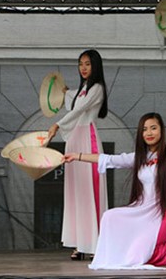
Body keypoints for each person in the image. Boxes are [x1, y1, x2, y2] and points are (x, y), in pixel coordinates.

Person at [63, 112, 166, 269]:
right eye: (144, 129)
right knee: (109, 216)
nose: (149, 132)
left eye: (153, 128)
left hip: (163, 214)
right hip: (142, 210)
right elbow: (110, 160)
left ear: (161, 130)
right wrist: (77, 155)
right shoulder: (140, 157)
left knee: (138, 253)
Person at [48, 49, 108, 260]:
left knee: (90, 192)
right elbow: (73, 97)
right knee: (76, 194)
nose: (83, 68)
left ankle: (95, 244)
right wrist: (65, 91)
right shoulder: (82, 90)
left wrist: (57, 124)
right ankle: (79, 244)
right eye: (81, 64)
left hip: (87, 142)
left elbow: (78, 110)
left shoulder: (97, 89)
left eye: (88, 64)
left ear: (96, 66)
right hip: (73, 140)